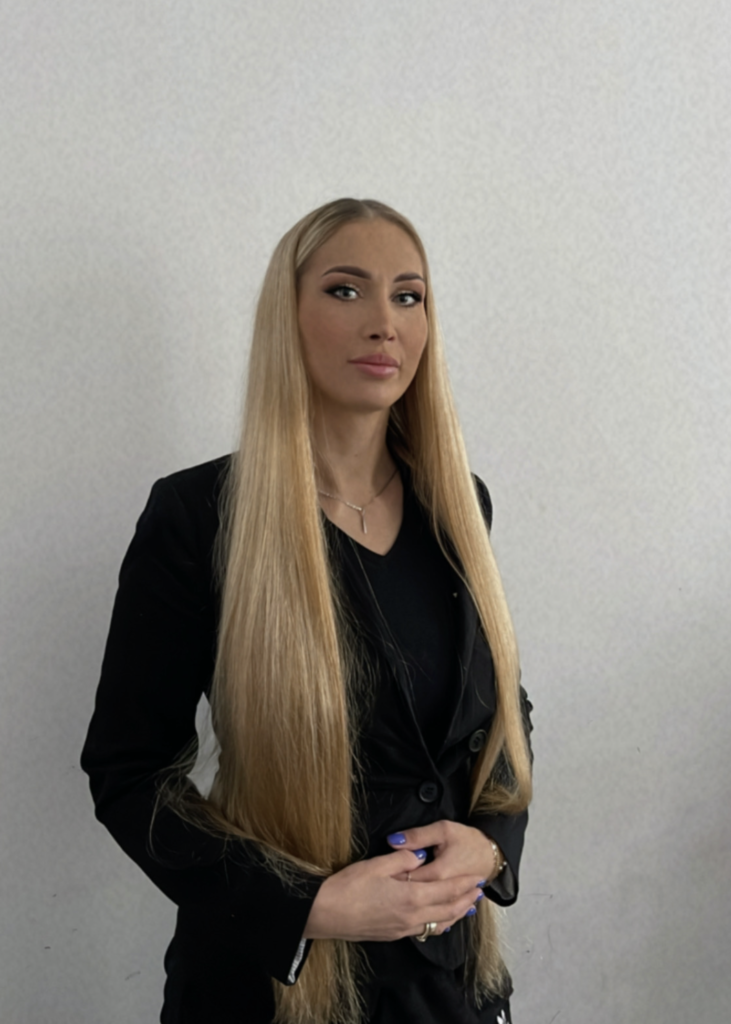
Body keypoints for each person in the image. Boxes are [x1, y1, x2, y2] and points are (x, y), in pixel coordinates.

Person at [81, 198, 534, 1024]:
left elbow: (503, 710)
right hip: (268, 993)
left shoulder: (459, 507)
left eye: (408, 295)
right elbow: (130, 772)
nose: (383, 323)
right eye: (344, 290)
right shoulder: (200, 517)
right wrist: (305, 906)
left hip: (450, 988)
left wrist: (491, 848)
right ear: (286, 317)